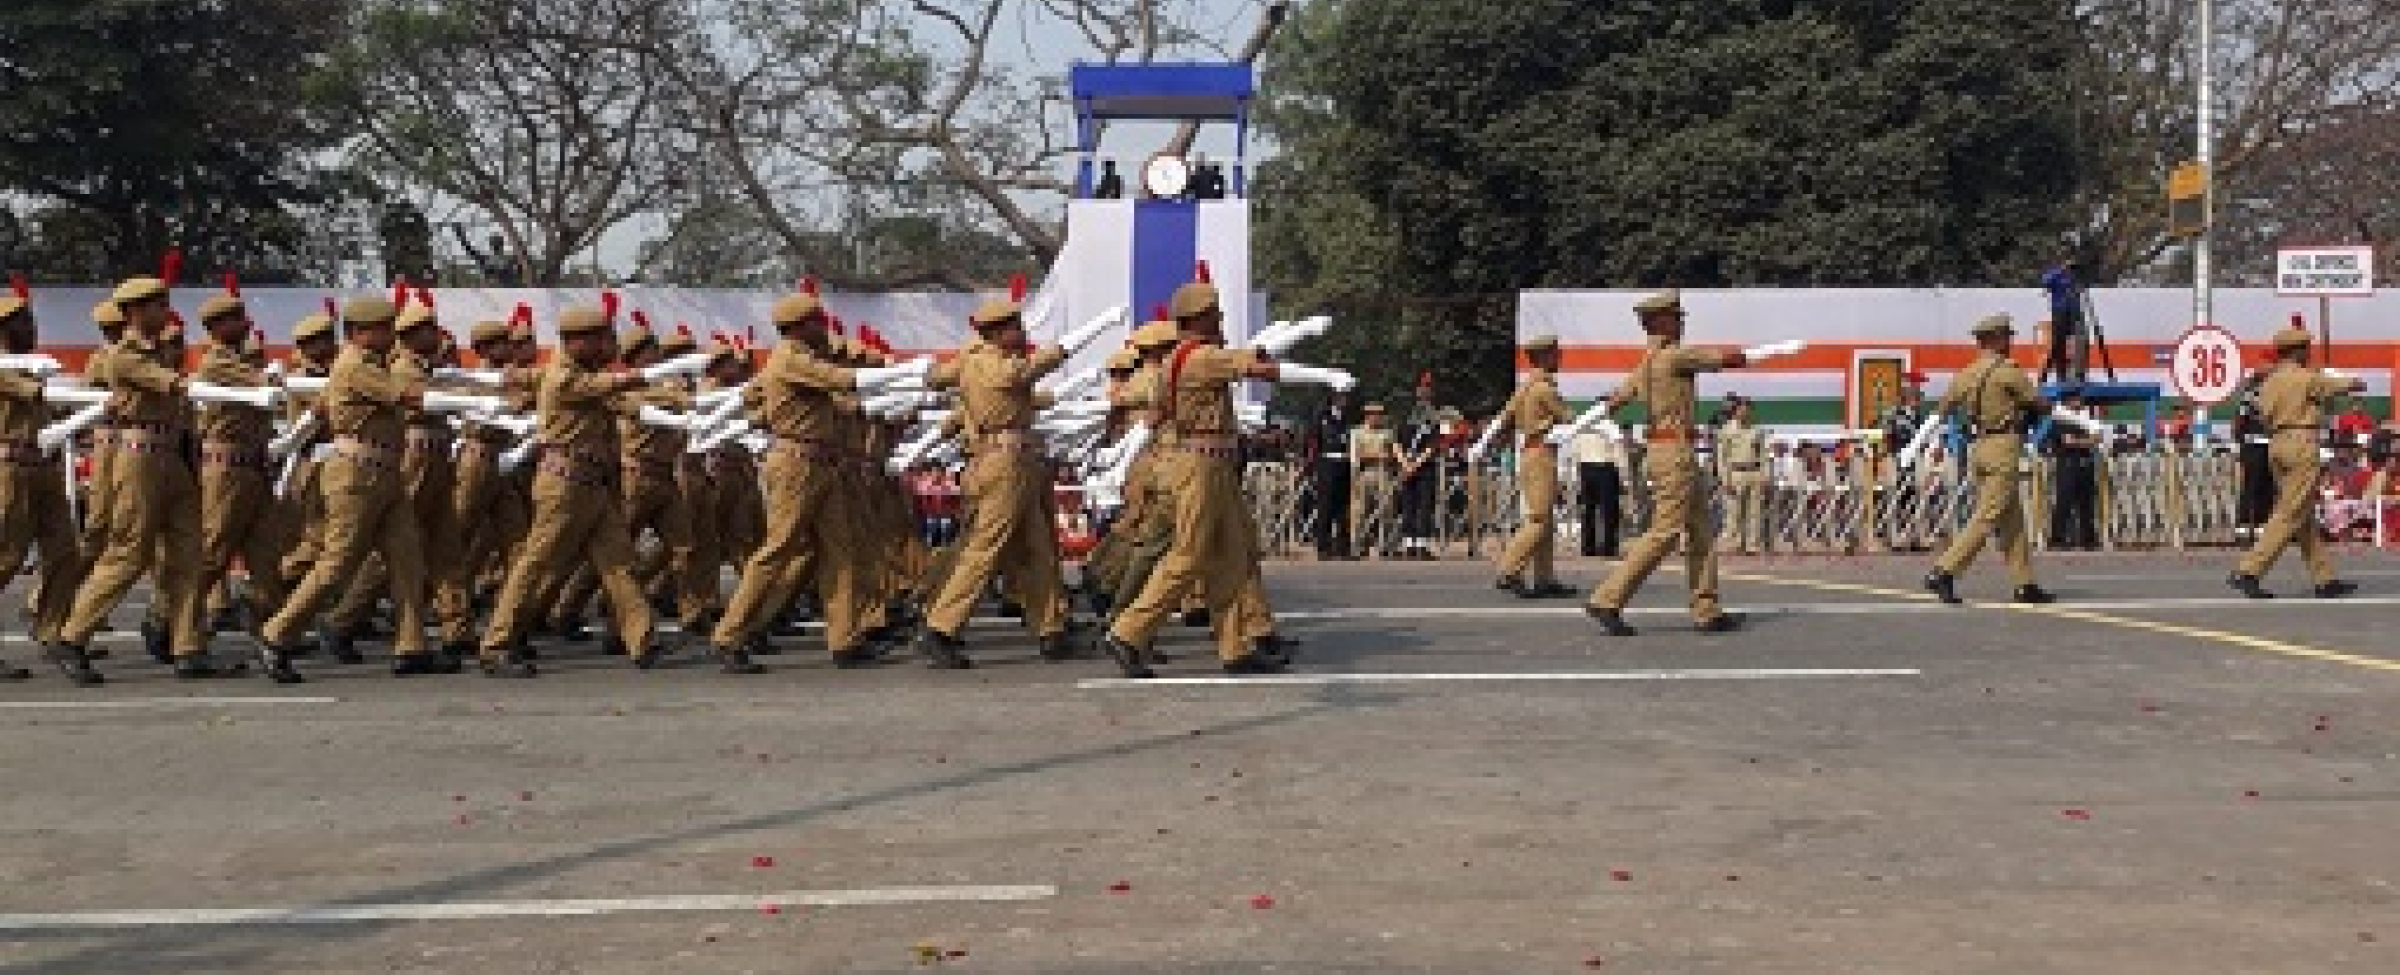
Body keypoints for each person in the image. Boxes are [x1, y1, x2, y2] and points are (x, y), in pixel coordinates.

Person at [256, 296, 443, 679]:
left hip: (385, 473)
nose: (392, 335)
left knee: (407, 558)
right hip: (357, 475)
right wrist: (481, 406)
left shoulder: (369, 365)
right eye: (383, 328)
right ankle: (277, 633)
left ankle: (411, 645)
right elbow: (410, 396)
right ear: (359, 334)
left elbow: (321, 410)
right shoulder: (355, 365)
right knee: (336, 564)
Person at [915, 284, 1075, 668]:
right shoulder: (989, 361)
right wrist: (1059, 351)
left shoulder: (981, 359)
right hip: (1001, 462)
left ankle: (1052, 629)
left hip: (1014, 460)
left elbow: (939, 378)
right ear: (995, 331)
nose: (1021, 333)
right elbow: (1019, 374)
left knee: (1037, 548)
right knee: (985, 549)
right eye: (1014, 327)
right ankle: (941, 628)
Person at [1585, 291, 1754, 635]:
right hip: (1674, 453)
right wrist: (1748, 355)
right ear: (1662, 322)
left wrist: (1585, 419)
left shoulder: (1646, 363)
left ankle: (1706, 608)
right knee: (1664, 533)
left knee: (1702, 531)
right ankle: (1608, 598)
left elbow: (1618, 398)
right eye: (1677, 317)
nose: (1682, 322)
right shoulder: (1674, 357)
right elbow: (1720, 358)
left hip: (1671, 451)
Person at [1922, 314, 2056, 606]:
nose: (2011, 342)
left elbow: (1942, 409)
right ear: (1995, 339)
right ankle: (1944, 571)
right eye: (2007, 337)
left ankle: (2025, 584)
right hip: (2003, 446)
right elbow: (2039, 403)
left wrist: (1917, 443)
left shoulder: (1966, 374)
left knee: (2012, 519)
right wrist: (2051, 406)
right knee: (1989, 515)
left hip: (1979, 447)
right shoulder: (2009, 372)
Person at [2229, 324, 2362, 599]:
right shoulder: (2306, 378)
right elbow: (2341, 386)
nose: (2309, 353)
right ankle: (2249, 570)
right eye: (2306, 349)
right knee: (2290, 512)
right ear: (2299, 351)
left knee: (2302, 515)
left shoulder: (2269, 382)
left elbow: (2262, 414)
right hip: (2302, 442)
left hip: (2276, 443)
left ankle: (2325, 579)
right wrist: (2353, 381)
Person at [0, 281, 65, 680]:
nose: (33, 328)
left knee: (65, 554)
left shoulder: (28, 363)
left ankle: (53, 632)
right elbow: (36, 394)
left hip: (42, 468)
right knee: (6, 558)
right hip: (11, 469)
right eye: (24, 322)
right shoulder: (4, 369)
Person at [1488, 335, 1575, 598]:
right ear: (1545, 357)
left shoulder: (1524, 388)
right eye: (1555, 354)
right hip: (1541, 454)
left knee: (1545, 519)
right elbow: (1567, 417)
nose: (1559, 358)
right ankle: (1509, 569)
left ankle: (1544, 578)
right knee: (1538, 519)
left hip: (1531, 453)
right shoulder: (1544, 389)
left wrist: (1491, 441)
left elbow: (1505, 418)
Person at [2047, 389, 2101, 551]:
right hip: (2068, 464)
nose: (2080, 401)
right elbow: (2068, 442)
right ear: (2067, 402)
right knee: (2064, 502)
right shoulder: (2061, 420)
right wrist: (2086, 441)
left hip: (2085, 463)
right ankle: (2058, 540)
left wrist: (2084, 441)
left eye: (2080, 398)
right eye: (2076, 399)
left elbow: (2096, 439)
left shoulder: (2085, 419)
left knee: (2087, 503)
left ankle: (2088, 540)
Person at [1715, 395, 1768, 555]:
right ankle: (1734, 543)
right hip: (1735, 472)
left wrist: (1764, 475)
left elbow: (1763, 453)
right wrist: (1725, 479)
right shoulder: (1727, 430)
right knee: (1733, 511)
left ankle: (1752, 545)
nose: (1744, 412)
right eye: (1741, 409)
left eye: (1748, 409)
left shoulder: (1757, 430)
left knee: (1754, 512)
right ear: (1736, 411)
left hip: (1754, 472)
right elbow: (1721, 457)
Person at [1395, 390, 1444, 560]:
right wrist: (1408, 465)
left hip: (1415, 465)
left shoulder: (1425, 422)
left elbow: (1431, 447)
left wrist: (1408, 465)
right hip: (1419, 466)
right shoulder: (1430, 422)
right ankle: (1412, 545)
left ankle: (1417, 544)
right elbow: (1397, 443)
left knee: (1419, 505)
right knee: (1414, 504)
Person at [1347, 401, 1397, 557]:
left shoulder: (1387, 433)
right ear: (1366, 416)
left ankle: (1386, 545)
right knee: (1359, 511)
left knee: (1387, 509)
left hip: (1383, 473)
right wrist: (1375, 456)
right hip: (1363, 473)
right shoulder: (1357, 432)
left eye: (1379, 414)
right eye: (1373, 414)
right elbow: (1356, 455)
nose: (1376, 417)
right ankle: (1358, 545)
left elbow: (1392, 453)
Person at [1308, 392, 1353, 559]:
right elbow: (1314, 442)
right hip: (1326, 462)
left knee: (1342, 507)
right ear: (1333, 398)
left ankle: (1342, 547)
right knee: (1325, 506)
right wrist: (1312, 466)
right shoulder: (1322, 417)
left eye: (1345, 397)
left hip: (1344, 463)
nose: (1345, 400)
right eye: (1341, 397)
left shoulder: (1347, 418)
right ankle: (1323, 547)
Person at [1571, 425, 1624, 559]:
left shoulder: (1583, 427)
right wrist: (1625, 478)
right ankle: (1609, 547)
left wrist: (1576, 476)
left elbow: (1575, 452)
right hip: (1606, 468)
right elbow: (1619, 453)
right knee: (1609, 511)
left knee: (1588, 511)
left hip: (1585, 468)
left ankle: (1588, 548)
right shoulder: (1611, 426)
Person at [2038, 259, 2086, 384]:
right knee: (2059, 344)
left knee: (2080, 342)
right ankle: (2061, 376)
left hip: (2075, 311)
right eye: (2069, 265)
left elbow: (2083, 289)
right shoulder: (2054, 273)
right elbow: (2045, 281)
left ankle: (2079, 375)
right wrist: (2061, 270)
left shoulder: (2076, 276)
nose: (2071, 268)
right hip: (2059, 311)